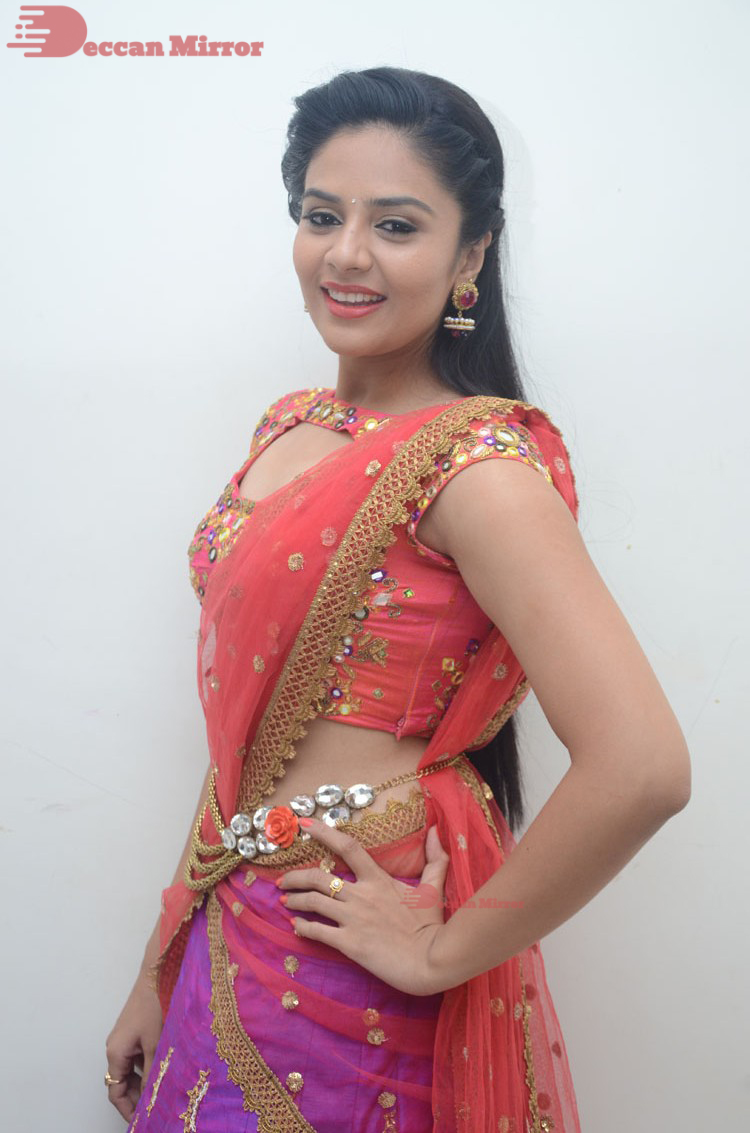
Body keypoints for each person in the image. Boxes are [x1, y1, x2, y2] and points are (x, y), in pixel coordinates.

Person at [105, 66, 691, 1132]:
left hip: (350, 956)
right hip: (228, 920)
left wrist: (438, 952)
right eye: (321, 215)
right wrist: (158, 960)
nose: (346, 253)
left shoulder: (478, 469)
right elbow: (246, 740)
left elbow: (643, 765)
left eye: (396, 224)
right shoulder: (289, 428)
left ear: (470, 256)